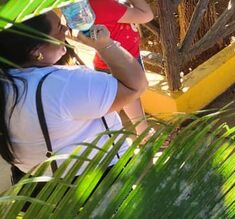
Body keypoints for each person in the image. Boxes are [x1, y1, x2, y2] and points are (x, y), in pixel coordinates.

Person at [0, 11, 147, 182]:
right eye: (59, 28)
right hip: (95, 179)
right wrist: (105, 45)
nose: (66, 29)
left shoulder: (8, 80)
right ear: (36, 51)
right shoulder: (62, 85)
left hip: (38, 183)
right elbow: (135, 85)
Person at [89, 0, 154, 134]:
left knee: (131, 98)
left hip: (116, 59)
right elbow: (147, 14)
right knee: (129, 97)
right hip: (120, 62)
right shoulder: (102, 4)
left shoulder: (91, 2)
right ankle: (143, 134)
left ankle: (143, 132)